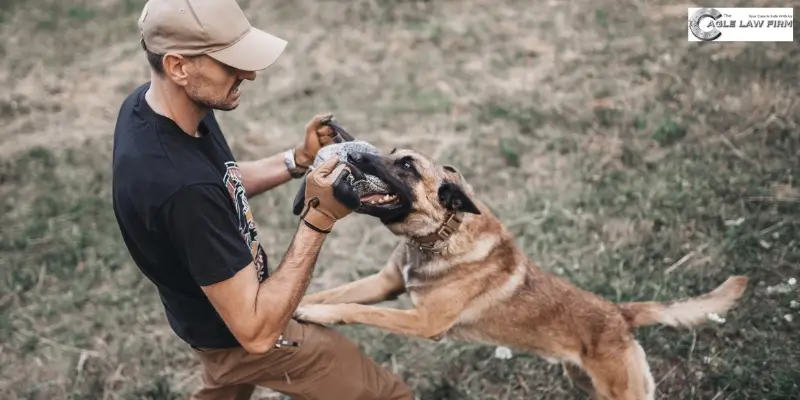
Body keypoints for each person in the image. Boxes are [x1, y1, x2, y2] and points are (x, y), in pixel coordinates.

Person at [110, 0, 415, 399]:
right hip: (241, 331)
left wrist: (297, 160)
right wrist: (317, 218)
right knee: (388, 396)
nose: (250, 74)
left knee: (225, 384)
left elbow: (221, 182)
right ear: (178, 66)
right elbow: (255, 333)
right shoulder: (181, 190)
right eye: (230, 63)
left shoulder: (154, 108)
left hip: (206, 320)